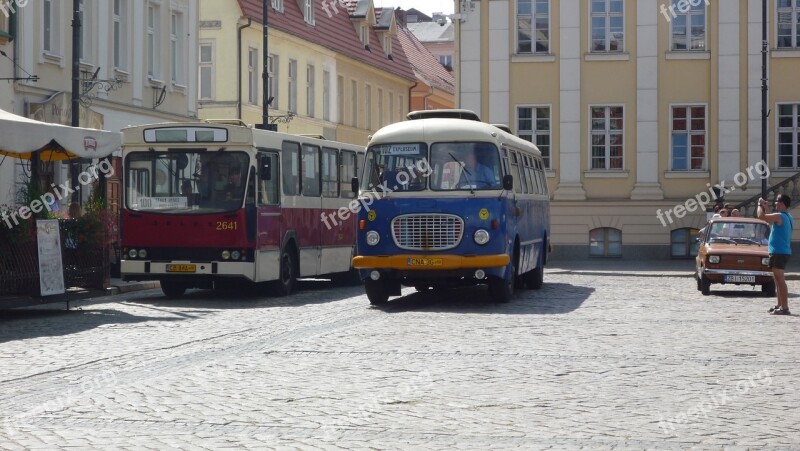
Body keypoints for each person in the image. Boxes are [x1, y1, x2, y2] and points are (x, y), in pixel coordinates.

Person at [758, 194, 794, 315]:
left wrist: (759, 205)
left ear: (782, 203)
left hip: (779, 252)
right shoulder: (787, 216)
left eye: (777, 201)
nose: (775, 203)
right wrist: (766, 207)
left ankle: (784, 307)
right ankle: (779, 305)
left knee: (780, 280)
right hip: (779, 251)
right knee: (777, 280)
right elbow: (771, 219)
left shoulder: (780, 216)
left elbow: (762, 217)